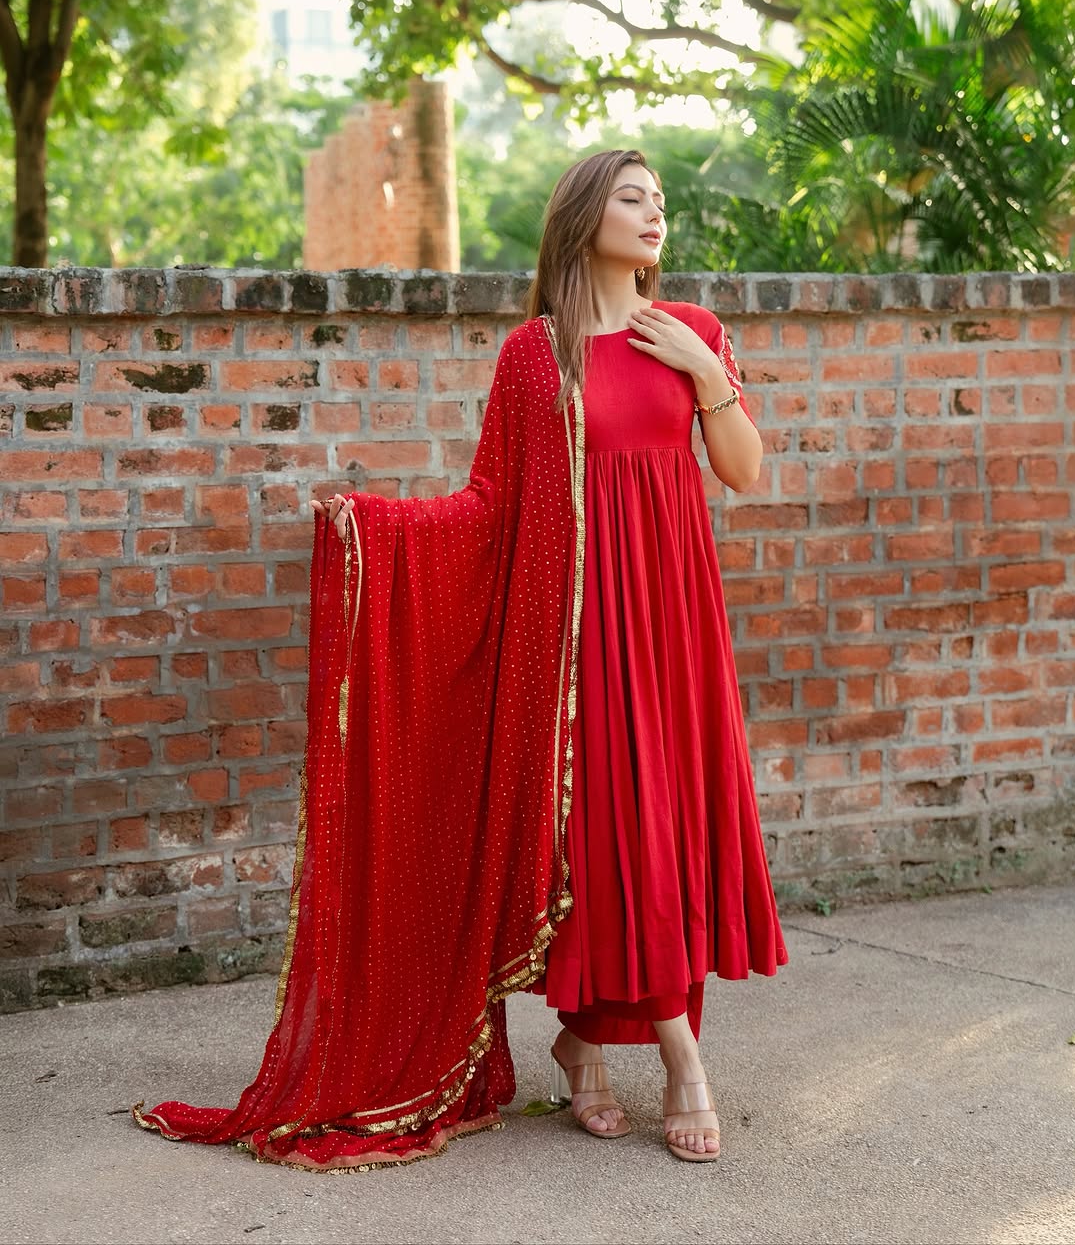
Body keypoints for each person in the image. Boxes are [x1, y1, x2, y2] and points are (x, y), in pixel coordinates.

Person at [133, 148, 786, 1173]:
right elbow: (491, 505)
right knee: (615, 832)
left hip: (674, 617)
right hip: (581, 634)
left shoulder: (692, 332)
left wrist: (710, 376)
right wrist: (372, 531)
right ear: (579, 216)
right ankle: (682, 1060)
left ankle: (579, 1046)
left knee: (661, 826)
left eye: (661, 200)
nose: (655, 212)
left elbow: (743, 471)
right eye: (631, 197)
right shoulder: (537, 355)